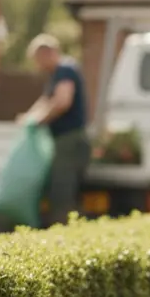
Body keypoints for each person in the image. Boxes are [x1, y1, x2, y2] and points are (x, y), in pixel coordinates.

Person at [19, 34, 91, 227]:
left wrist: (38, 121)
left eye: (37, 60)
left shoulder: (65, 70)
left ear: (47, 54)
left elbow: (62, 102)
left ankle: (63, 232)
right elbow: (45, 101)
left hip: (69, 140)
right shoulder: (56, 74)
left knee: (62, 190)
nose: (37, 65)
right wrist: (29, 118)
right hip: (64, 140)